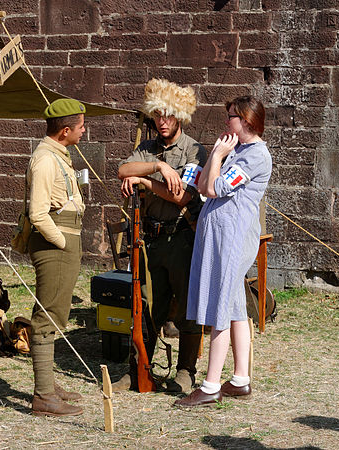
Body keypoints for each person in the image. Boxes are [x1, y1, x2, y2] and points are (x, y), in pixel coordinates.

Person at [174, 96, 272, 407]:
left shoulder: (255, 155)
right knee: (233, 306)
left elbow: (216, 188)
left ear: (246, 120)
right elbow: (203, 186)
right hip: (219, 236)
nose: (226, 122)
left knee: (220, 306)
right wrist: (216, 159)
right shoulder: (238, 150)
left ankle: (211, 384)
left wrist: (216, 154)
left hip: (233, 238)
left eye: (231, 117)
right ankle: (240, 378)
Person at [115, 78, 207, 393]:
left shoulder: (194, 150)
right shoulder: (147, 148)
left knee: (186, 306)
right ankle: (137, 367)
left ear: (179, 116)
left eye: (168, 115)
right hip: (150, 238)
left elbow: (182, 196)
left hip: (181, 238)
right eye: (157, 115)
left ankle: (186, 371)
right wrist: (156, 166)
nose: (162, 122)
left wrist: (146, 182)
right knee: (145, 305)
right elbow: (122, 170)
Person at [27, 98, 86, 416]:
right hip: (55, 245)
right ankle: (44, 396)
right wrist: (61, 242)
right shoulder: (46, 160)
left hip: (64, 241)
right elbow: (38, 213)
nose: (83, 131)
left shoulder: (57, 155)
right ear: (65, 131)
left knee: (56, 312)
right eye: (80, 127)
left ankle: (47, 383)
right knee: (47, 316)